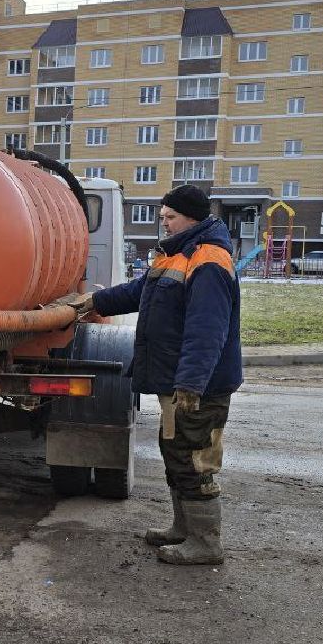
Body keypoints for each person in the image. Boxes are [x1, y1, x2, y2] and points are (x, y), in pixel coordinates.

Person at [73, 185, 242, 565]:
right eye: (162, 216)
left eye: (171, 217)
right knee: (176, 453)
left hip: (199, 387)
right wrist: (96, 301)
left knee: (195, 458)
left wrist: (191, 384)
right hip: (178, 381)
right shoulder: (176, 254)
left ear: (193, 219)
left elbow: (207, 329)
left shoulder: (208, 260)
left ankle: (205, 543)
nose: (163, 222)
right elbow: (141, 291)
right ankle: (183, 529)